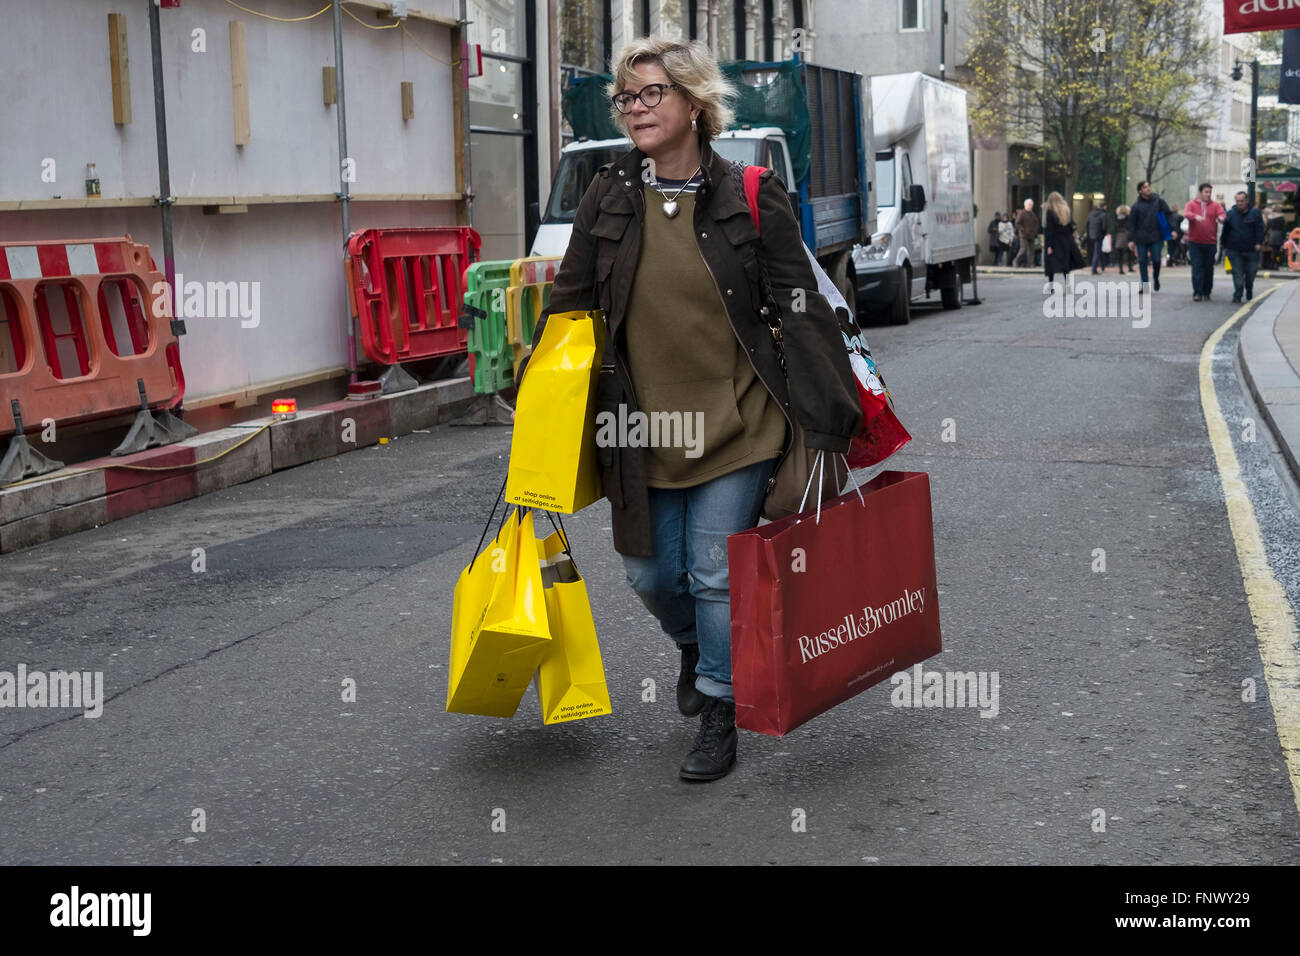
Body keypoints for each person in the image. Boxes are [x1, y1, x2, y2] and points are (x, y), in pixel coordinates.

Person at [514, 36, 860, 782]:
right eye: (626, 97)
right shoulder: (609, 195)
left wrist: (832, 414)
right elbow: (570, 302)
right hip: (638, 430)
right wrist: (533, 393)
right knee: (648, 575)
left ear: (694, 103)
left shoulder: (749, 193)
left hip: (738, 423)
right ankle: (700, 651)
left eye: (651, 94)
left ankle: (717, 712)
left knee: (712, 573)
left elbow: (798, 304)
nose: (635, 108)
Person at [1183, 183, 1226, 301]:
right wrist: (1195, 217)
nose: (1208, 194)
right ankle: (1197, 292)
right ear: (1200, 192)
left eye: (1209, 192)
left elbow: (1222, 214)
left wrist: (1221, 218)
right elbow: (1186, 213)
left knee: (1208, 268)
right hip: (1194, 242)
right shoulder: (1191, 204)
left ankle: (1207, 290)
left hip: (1210, 242)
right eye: (1206, 192)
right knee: (1196, 267)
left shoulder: (1215, 205)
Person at [1127, 181, 1172, 294]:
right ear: (1140, 191)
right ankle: (1145, 285)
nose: (1148, 189)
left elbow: (1168, 214)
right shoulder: (1136, 206)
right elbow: (1131, 224)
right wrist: (1131, 240)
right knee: (1142, 262)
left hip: (1156, 236)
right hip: (1141, 238)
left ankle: (1156, 278)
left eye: (1148, 186)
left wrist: (1172, 229)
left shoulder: (1159, 201)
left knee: (1156, 260)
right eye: (1145, 187)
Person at [1220, 190, 1266, 303]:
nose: (1239, 203)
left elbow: (1260, 229)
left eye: (1242, 201)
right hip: (1234, 250)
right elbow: (1225, 231)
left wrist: (1259, 242)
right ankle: (1238, 295)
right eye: (1237, 201)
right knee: (1238, 274)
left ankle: (1249, 288)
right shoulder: (1230, 214)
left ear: (1247, 201)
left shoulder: (1255, 213)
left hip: (1252, 250)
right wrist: (1224, 245)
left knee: (1251, 274)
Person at [1042, 191, 1084, 284]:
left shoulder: (1050, 212)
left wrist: (1049, 245)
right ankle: (1068, 285)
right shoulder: (1066, 210)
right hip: (1066, 240)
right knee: (1066, 265)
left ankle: (1051, 286)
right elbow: (1071, 226)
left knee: (1051, 265)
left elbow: (1050, 230)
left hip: (1055, 241)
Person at [1014, 199, 1039, 268]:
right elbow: (1017, 223)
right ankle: (1015, 261)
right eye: (1029, 205)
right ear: (1026, 205)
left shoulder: (1033, 214)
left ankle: (1031, 264)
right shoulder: (1022, 213)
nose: (1030, 206)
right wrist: (1022, 229)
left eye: (1031, 205)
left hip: (1031, 235)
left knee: (1031, 250)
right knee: (1023, 249)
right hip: (1023, 235)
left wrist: (1035, 231)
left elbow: (1036, 223)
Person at [1086, 201, 1108, 274]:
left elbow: (1087, 224)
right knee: (1097, 251)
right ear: (1104, 207)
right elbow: (1104, 226)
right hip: (1099, 235)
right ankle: (1094, 269)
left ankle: (1102, 266)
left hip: (1092, 235)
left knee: (1098, 250)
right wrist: (1104, 234)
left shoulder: (1091, 213)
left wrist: (1089, 233)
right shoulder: (1103, 214)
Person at [1265, 204, 1287, 269]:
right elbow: (1284, 228)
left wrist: (1264, 235)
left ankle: (1273, 263)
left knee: (1273, 251)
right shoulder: (1281, 217)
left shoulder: (1270, 217)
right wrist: (1284, 237)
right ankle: (1276, 264)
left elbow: (1267, 228)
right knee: (1277, 251)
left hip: (1272, 235)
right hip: (1279, 234)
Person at [1112, 205, 1131, 275]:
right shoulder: (1128, 218)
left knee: (1120, 254)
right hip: (1126, 235)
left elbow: (1115, 228)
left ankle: (1120, 269)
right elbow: (1129, 226)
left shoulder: (1117, 218)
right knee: (1129, 252)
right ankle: (1130, 267)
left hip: (1119, 236)